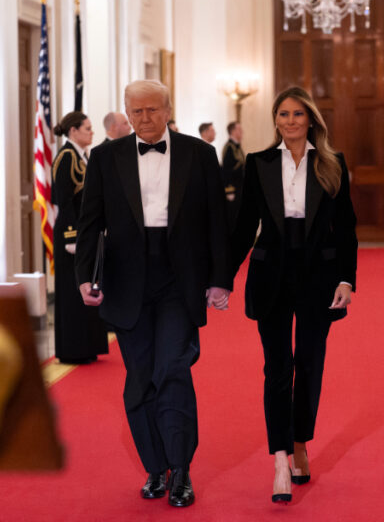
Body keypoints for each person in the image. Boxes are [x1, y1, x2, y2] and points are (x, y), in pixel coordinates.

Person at [75, 80, 230, 508]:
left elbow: (218, 220)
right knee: (140, 378)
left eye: (152, 111)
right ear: (126, 112)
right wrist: (84, 275)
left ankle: (181, 469)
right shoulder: (106, 157)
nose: (144, 119)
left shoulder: (200, 154)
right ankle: (155, 467)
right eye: (136, 112)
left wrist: (220, 279)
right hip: (128, 280)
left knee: (174, 370)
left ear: (167, 110)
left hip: (180, 280)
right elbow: (91, 222)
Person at [228, 86, 358, 504]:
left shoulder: (332, 164)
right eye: (282, 114)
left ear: (311, 120)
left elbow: (347, 231)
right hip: (271, 274)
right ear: (275, 120)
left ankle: (302, 441)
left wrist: (346, 280)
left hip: (318, 275)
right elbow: (245, 225)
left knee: (311, 364)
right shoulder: (259, 163)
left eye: (297, 114)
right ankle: (281, 458)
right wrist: (221, 277)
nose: (289, 121)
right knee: (277, 369)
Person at [51, 111, 109, 364]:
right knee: (73, 292)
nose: (91, 132)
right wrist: (72, 237)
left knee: (87, 287)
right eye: (87, 128)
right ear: (73, 131)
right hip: (71, 236)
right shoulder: (66, 157)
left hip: (85, 235)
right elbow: (64, 201)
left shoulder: (81, 157)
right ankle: (74, 348)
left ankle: (88, 345)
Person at [221, 121, 246, 225]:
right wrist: (229, 191)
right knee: (232, 219)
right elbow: (226, 171)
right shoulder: (229, 147)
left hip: (239, 187)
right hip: (233, 190)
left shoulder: (237, 146)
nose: (242, 132)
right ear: (233, 131)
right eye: (239, 129)